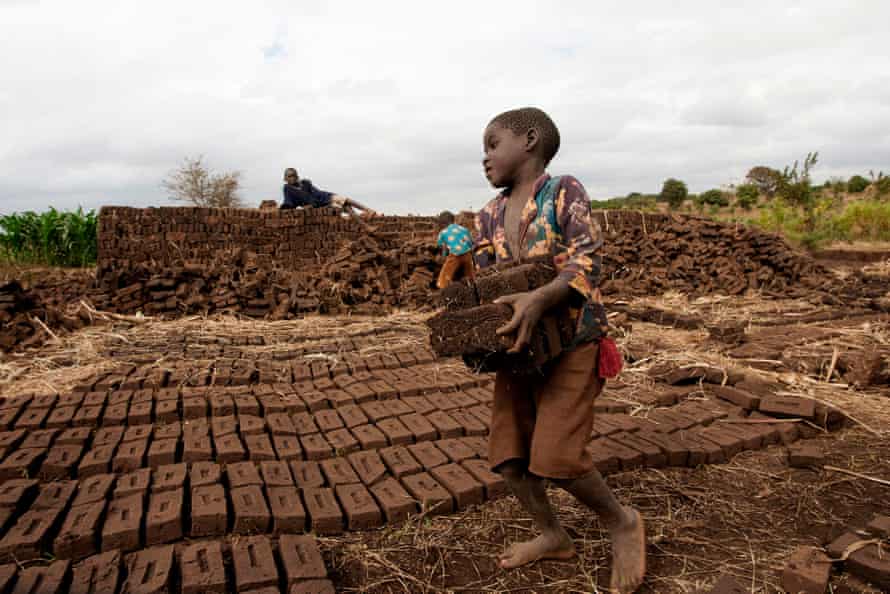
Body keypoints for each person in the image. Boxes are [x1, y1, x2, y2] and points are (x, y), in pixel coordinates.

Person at [472, 107, 646, 593]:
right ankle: (553, 534)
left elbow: (588, 260)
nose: (484, 157)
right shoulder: (486, 215)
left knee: (556, 456)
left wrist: (541, 297)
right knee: (509, 458)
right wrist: (471, 328)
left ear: (528, 141)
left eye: (492, 143)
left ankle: (623, 521)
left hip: (573, 342)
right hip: (519, 351)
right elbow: (486, 284)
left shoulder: (564, 191)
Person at [279, 168, 376, 216]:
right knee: (345, 207)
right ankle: (360, 219)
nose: (291, 178)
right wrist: (285, 208)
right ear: (286, 178)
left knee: (345, 200)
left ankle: (368, 210)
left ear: (296, 176)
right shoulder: (287, 188)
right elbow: (288, 202)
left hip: (323, 196)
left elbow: (315, 193)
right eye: (289, 176)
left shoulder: (305, 183)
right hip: (319, 205)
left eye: (293, 175)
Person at [435, 211, 475, 289]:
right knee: (470, 275)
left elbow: (442, 247)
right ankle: (472, 286)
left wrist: (443, 258)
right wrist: (472, 257)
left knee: (445, 275)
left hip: (455, 255)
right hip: (467, 254)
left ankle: (441, 288)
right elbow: (471, 244)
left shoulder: (443, 232)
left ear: (443, 223)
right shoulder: (464, 229)